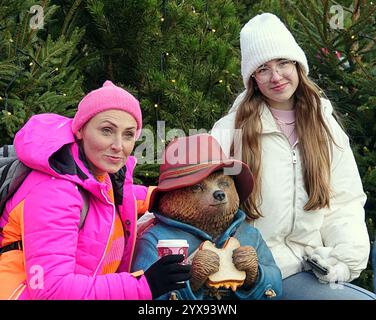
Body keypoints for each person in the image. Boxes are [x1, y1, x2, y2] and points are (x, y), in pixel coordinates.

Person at [211, 13, 375, 300]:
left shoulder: (324, 126)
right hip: (252, 272)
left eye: (283, 63)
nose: (276, 76)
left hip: (308, 267)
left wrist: (343, 260)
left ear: (298, 65)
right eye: (263, 68)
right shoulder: (229, 131)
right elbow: (197, 199)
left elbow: (344, 201)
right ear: (253, 78)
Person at [0, 80, 191, 300]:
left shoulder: (102, 176)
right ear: (80, 129)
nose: (119, 145)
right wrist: (144, 285)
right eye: (107, 130)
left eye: (128, 134)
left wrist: (169, 194)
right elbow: (51, 291)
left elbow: (121, 198)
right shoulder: (54, 191)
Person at [132, 133, 282, 300]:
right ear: (173, 196)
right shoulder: (157, 240)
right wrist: (191, 281)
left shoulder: (249, 235)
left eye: (223, 183)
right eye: (197, 187)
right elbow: (144, 294)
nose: (219, 193)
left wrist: (257, 276)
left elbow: (276, 286)